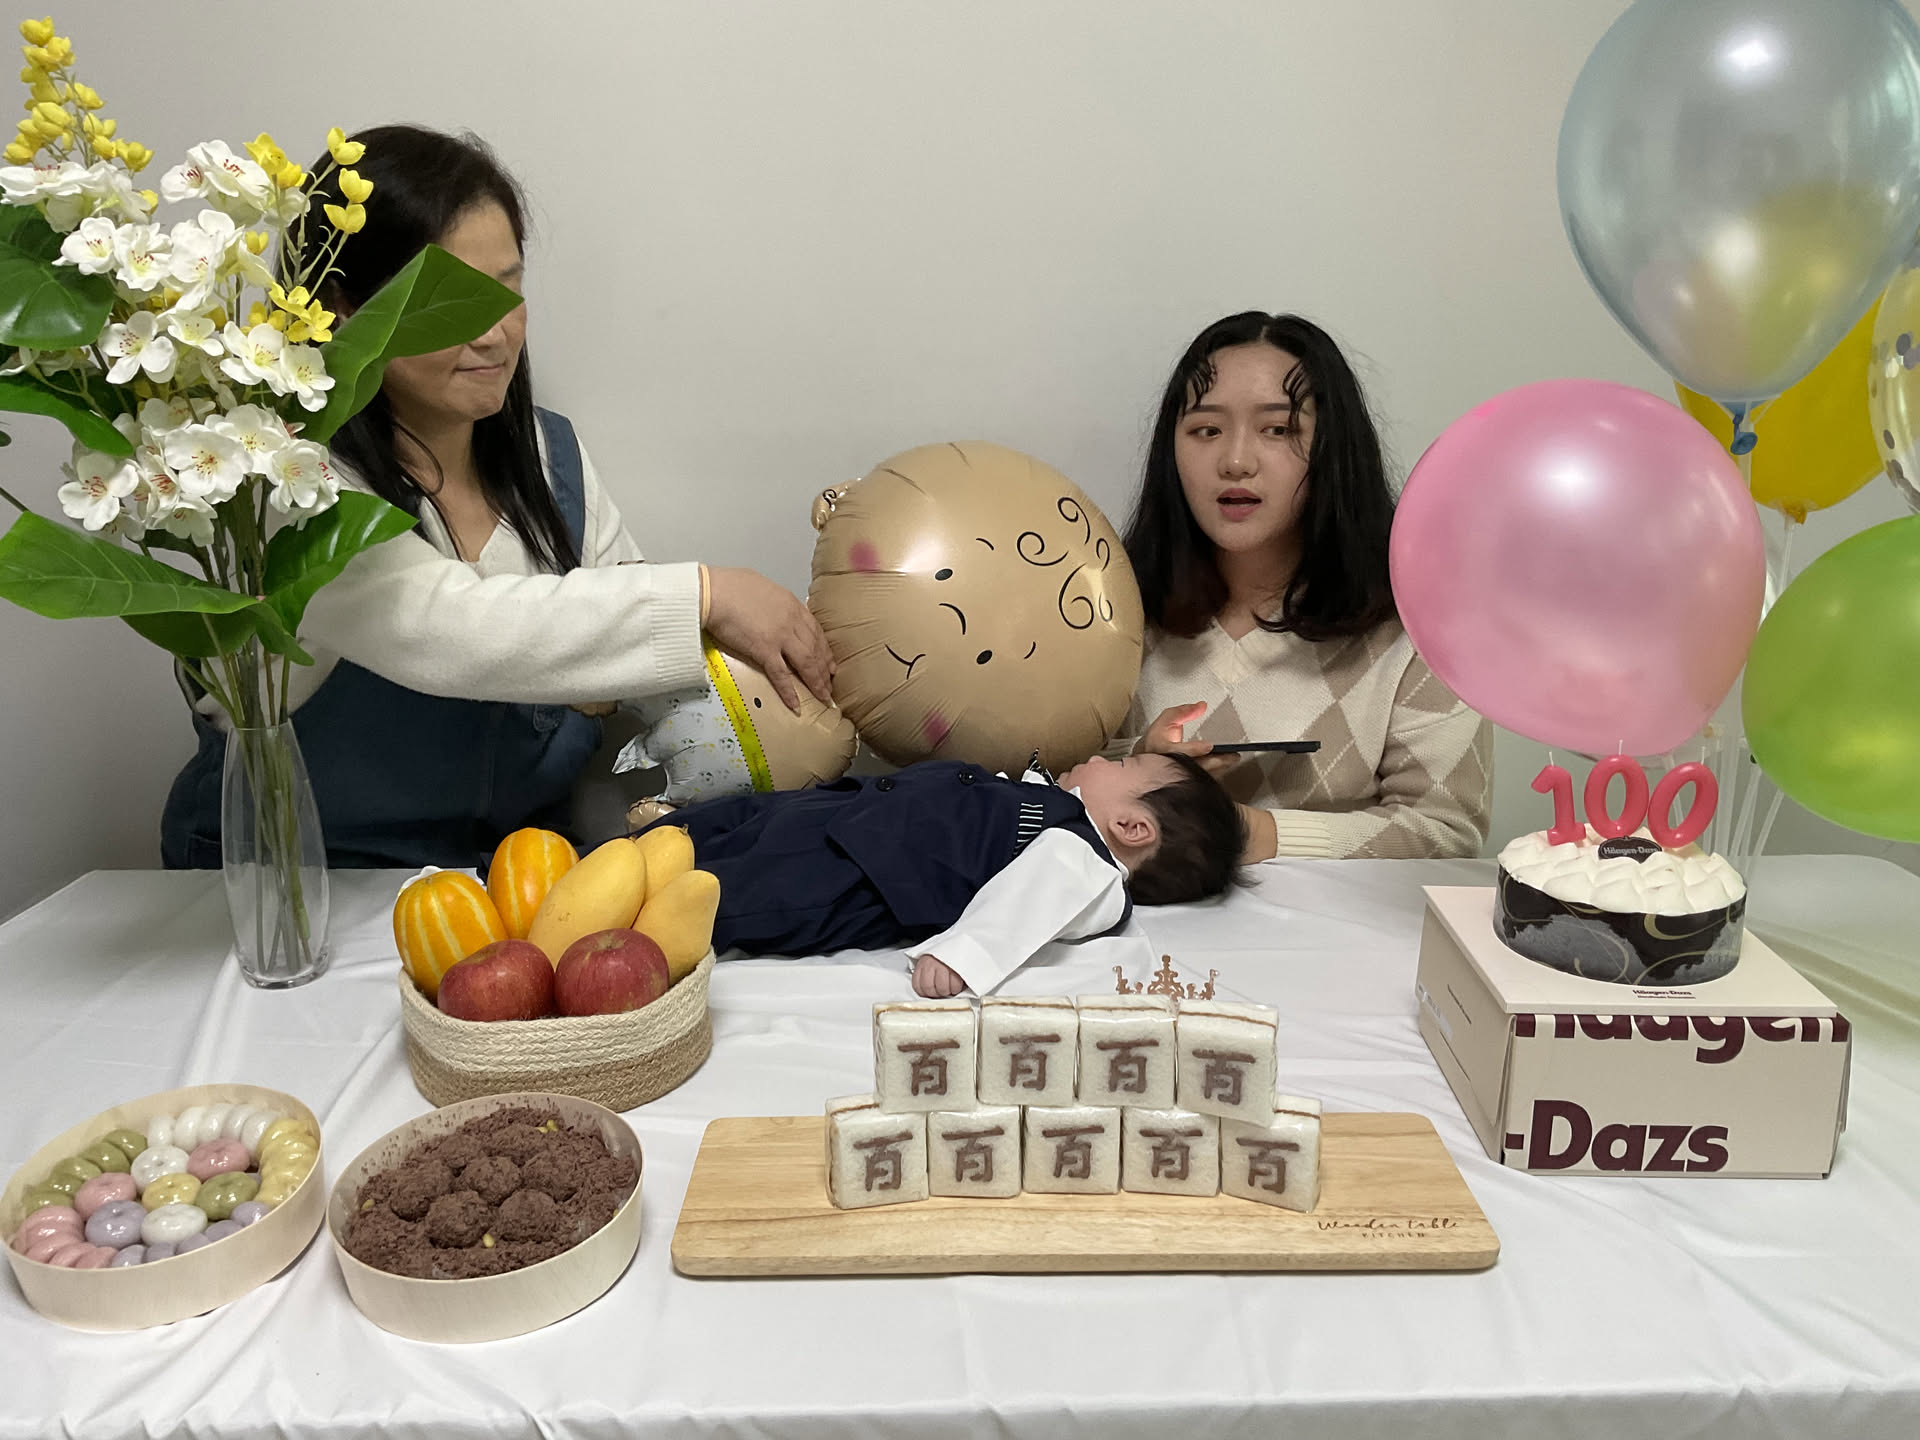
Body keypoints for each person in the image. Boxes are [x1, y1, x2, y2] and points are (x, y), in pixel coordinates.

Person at [161, 125, 831, 871]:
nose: (493, 334)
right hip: (299, 881)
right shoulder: (290, 481)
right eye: (451, 301)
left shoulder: (552, 459)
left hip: (508, 881)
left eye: (508, 290)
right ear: (345, 307)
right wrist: (708, 593)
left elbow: (626, 649)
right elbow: (447, 627)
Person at [1121, 312, 1490, 861]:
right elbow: (1038, 787)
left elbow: (1445, 831)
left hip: (1346, 919)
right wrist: (1136, 767)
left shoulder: (1420, 624)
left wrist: (1244, 832)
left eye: (1278, 430)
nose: (1236, 461)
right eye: (1206, 431)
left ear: (1332, 450)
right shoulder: (1109, 612)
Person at [641, 751, 1244, 997]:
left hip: (857, 878)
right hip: (844, 812)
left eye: (1124, 761)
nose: (1101, 756)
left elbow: (1032, 898)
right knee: (704, 830)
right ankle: (607, 856)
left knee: (720, 895)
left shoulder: (1089, 867)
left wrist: (964, 955)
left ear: (1132, 828)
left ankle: (606, 924)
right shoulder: (1055, 808)